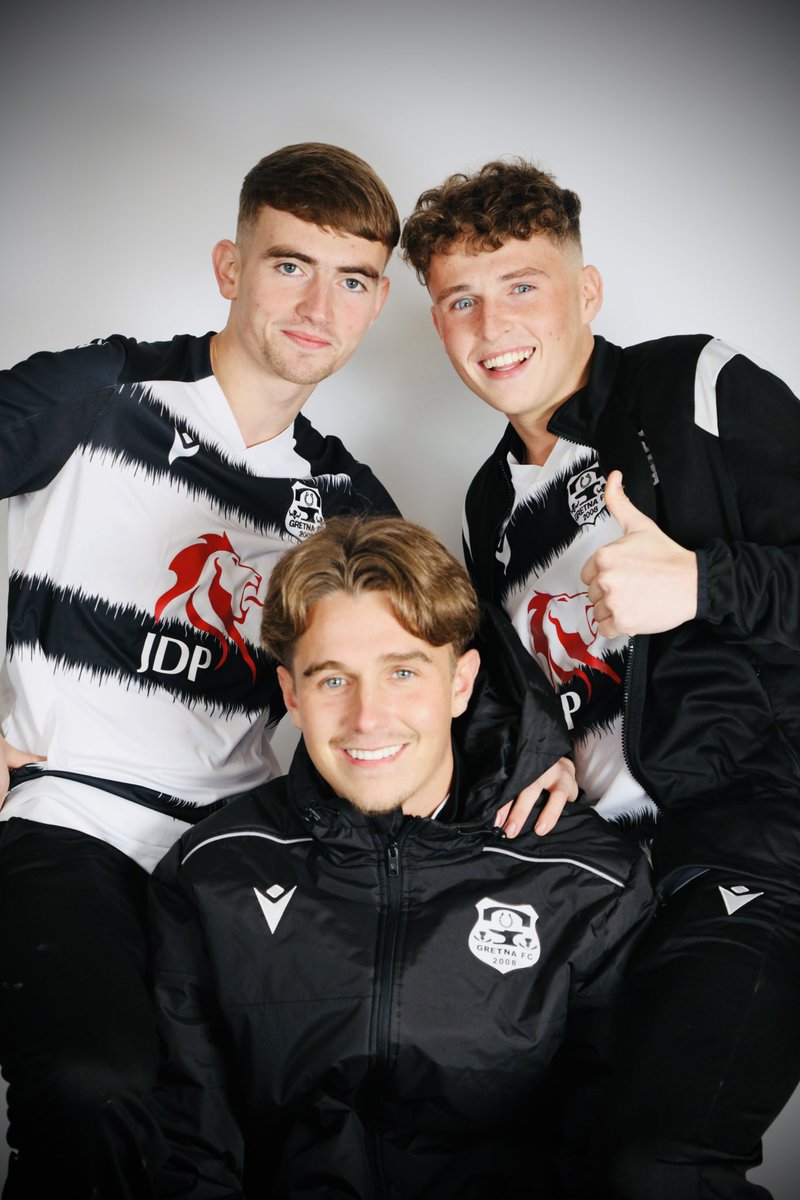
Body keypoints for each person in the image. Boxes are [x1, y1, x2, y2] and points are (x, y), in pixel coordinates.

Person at [0, 142, 403, 1199]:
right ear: (231, 266)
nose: (317, 306)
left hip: (239, 856)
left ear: (376, 301)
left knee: (284, 1136)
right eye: (289, 265)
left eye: (352, 279)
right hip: (71, 820)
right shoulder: (99, 393)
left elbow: (427, 681)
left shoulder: (350, 503)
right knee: (91, 1091)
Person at [399, 158, 800, 1199]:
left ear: (586, 292)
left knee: (660, 1161)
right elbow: (541, 689)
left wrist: (702, 583)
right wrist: (541, 754)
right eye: (459, 299)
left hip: (756, 840)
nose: (491, 325)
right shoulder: (488, 502)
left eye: (521, 285)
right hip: (600, 877)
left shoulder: (693, 386)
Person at [148, 514, 654, 1199]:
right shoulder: (215, 870)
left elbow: (609, 1147)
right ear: (292, 695)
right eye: (333, 681)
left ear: (461, 683)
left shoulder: (588, 881)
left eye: (403, 672)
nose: (368, 718)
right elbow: (189, 1147)